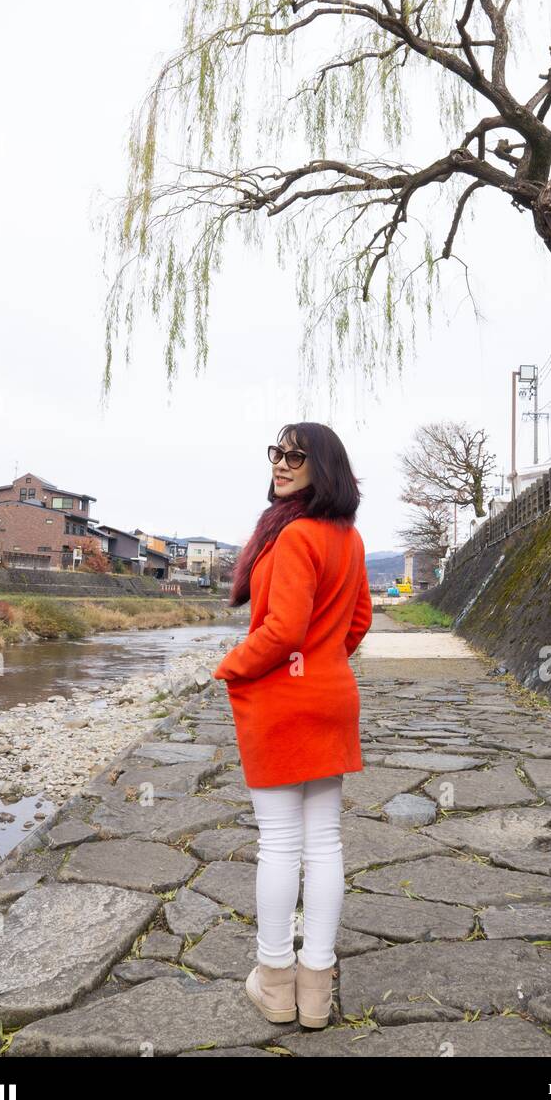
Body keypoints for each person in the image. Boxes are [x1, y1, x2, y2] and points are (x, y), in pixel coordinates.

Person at [211, 421, 373, 1029]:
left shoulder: (295, 537)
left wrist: (230, 666)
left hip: (280, 704)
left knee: (279, 844)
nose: (281, 464)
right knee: (324, 843)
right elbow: (357, 623)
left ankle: (275, 982)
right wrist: (326, 665)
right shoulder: (349, 539)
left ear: (321, 467)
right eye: (276, 453)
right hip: (331, 700)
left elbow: (281, 630)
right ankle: (315, 992)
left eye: (296, 456)